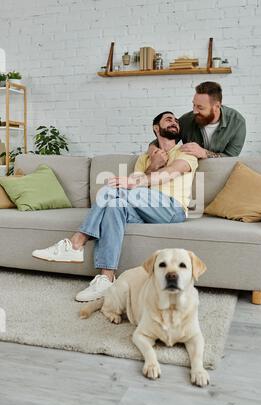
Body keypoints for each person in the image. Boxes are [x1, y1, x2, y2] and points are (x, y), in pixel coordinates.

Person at [32, 112, 198, 302]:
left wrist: (143, 177)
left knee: (112, 189)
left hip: (171, 209)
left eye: (176, 121)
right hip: (146, 209)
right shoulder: (145, 158)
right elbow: (138, 184)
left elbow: (170, 172)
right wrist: (153, 164)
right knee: (113, 205)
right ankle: (106, 278)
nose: (174, 122)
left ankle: (76, 242)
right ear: (156, 128)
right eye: (169, 119)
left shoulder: (185, 152)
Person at [147, 81, 246, 172]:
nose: (194, 111)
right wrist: (152, 148)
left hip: (220, 173)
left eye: (200, 107)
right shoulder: (187, 120)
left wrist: (204, 153)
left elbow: (231, 159)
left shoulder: (237, 123)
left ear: (216, 106)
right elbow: (166, 137)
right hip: (192, 173)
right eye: (194, 105)